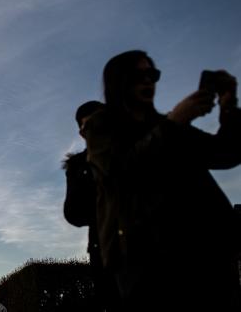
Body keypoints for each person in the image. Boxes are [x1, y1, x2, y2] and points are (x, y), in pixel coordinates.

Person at [84, 50, 241, 310]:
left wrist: (228, 104)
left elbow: (224, 154)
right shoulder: (102, 126)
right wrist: (175, 121)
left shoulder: (168, 125)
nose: (148, 81)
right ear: (119, 81)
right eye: (138, 75)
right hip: (148, 260)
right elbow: (122, 172)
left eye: (152, 74)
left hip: (206, 252)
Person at [63, 100, 120, 311]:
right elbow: (72, 213)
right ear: (82, 131)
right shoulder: (78, 166)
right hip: (106, 248)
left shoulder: (139, 151)